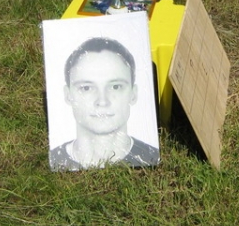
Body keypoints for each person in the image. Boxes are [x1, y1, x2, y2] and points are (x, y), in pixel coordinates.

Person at [49, 37, 160, 171]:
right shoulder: (55, 159)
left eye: (115, 87)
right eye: (86, 88)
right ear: (68, 95)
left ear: (133, 94)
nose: (102, 101)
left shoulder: (149, 156)